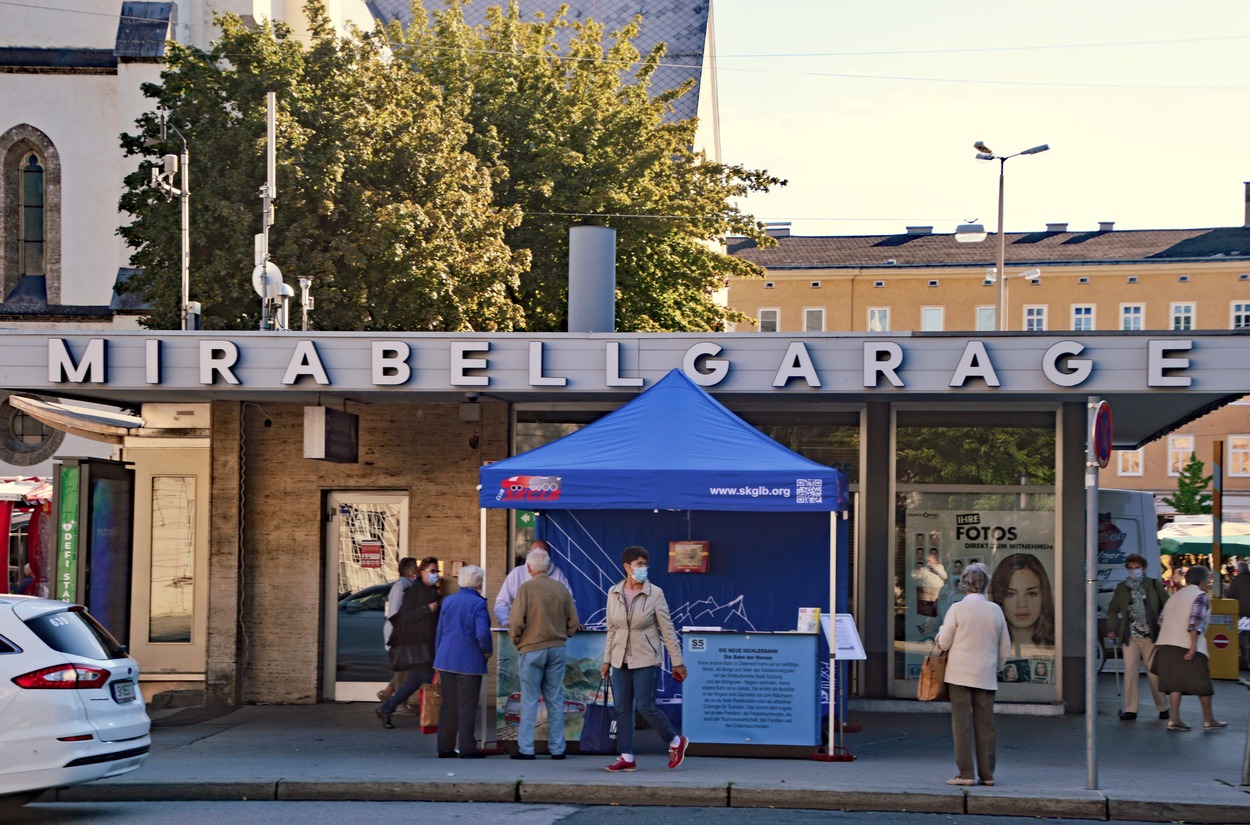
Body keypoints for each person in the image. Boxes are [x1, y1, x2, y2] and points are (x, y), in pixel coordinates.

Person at [599, 545, 689, 773]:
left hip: (646, 657)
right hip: (619, 658)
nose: (643, 568)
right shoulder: (614, 592)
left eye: (645, 564)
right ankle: (626, 757)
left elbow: (667, 629)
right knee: (622, 708)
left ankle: (675, 741)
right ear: (627, 566)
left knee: (645, 706)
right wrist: (607, 660)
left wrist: (677, 662)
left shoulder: (655, 593)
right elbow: (612, 629)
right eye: (639, 564)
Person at [935, 562, 1011, 787]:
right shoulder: (995, 610)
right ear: (986, 584)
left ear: (964, 584)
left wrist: (940, 634)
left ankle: (966, 773)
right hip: (985, 674)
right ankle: (987, 775)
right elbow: (1005, 649)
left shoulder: (957, 609)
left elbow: (944, 643)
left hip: (958, 674)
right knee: (986, 726)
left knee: (961, 726)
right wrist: (994, 667)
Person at [508, 545, 579, 760]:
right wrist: (563, 635)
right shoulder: (561, 589)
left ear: (529, 568)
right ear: (547, 567)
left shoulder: (526, 589)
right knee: (555, 699)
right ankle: (558, 749)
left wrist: (518, 641)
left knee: (530, 699)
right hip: (557, 649)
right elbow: (574, 622)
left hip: (532, 649)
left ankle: (526, 749)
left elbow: (516, 622)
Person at [1153, 565, 1226, 732]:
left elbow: (1161, 620)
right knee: (1203, 683)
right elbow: (1195, 623)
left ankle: (1174, 719)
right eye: (1208, 580)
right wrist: (1192, 647)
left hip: (1166, 644)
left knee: (1174, 684)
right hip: (1187, 645)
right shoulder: (1200, 596)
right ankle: (1208, 719)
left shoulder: (1175, 596)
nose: (1209, 583)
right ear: (1203, 581)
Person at [433, 564, 492, 759]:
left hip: (446, 658)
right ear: (478, 583)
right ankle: (467, 748)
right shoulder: (478, 603)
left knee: (448, 705)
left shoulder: (448, 601)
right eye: (481, 580)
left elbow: (440, 630)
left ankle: (445, 747)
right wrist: (487, 651)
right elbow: (482, 633)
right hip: (469, 659)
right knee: (467, 706)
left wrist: (438, 655)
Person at [376, 556, 441, 729]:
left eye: (437, 571)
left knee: (414, 680)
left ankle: (386, 708)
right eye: (432, 571)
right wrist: (426, 609)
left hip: (425, 644)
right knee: (434, 678)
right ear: (422, 572)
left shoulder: (430, 590)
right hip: (417, 644)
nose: (435, 574)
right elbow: (403, 617)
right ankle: (449, 715)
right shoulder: (414, 590)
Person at [1105, 553, 1170, 720]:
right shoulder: (1122, 588)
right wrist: (1112, 627)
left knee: (1153, 673)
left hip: (1151, 635)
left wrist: (1164, 623)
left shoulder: (1154, 584)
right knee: (1130, 672)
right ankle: (1130, 709)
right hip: (1130, 636)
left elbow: (1168, 604)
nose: (1134, 571)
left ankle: (1163, 706)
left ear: (1144, 568)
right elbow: (1113, 608)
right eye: (1131, 568)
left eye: (1137, 567)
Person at [494, 540, 573, 627]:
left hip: (551, 629)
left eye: (542, 553)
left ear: (548, 556)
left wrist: (571, 624)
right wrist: (506, 622)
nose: (538, 557)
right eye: (535, 554)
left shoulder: (558, 575)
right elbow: (502, 603)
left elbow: (569, 604)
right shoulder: (516, 574)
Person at [989, 553, 1056, 657]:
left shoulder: (1060, 642)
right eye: (1010, 594)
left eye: (1031, 594)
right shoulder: (988, 645)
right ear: (999, 598)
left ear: (1043, 596)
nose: (1022, 604)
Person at [378, 557, 419, 710]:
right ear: (409, 573)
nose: (418, 572)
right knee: (405, 671)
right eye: (416, 570)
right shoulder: (401, 587)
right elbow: (395, 613)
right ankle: (400, 704)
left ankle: (388, 692)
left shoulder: (408, 586)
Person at [1224, 561, 1250, 668]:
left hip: (1242, 615)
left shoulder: (1236, 581)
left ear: (1238, 570)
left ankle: (1246, 661)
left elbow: (1230, 596)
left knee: (1243, 639)